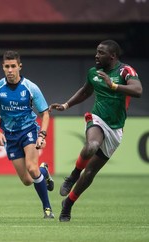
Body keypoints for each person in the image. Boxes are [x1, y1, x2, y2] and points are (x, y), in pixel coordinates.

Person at [49, 40, 143, 222]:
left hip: (116, 128)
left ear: (112, 56)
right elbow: (85, 91)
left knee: (91, 173)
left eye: (101, 53)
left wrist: (113, 85)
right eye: (96, 52)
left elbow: (137, 90)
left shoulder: (125, 71)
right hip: (97, 118)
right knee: (91, 145)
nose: (96, 56)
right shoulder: (93, 73)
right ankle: (73, 176)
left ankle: (68, 204)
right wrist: (66, 105)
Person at [0, 50, 55, 219]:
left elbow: (45, 113)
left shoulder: (30, 87)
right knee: (27, 180)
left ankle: (47, 209)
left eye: (13, 66)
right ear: (3, 67)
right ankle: (44, 171)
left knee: (31, 167)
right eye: (7, 66)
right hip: (10, 136)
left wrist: (42, 135)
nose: (10, 70)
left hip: (28, 130)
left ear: (19, 67)